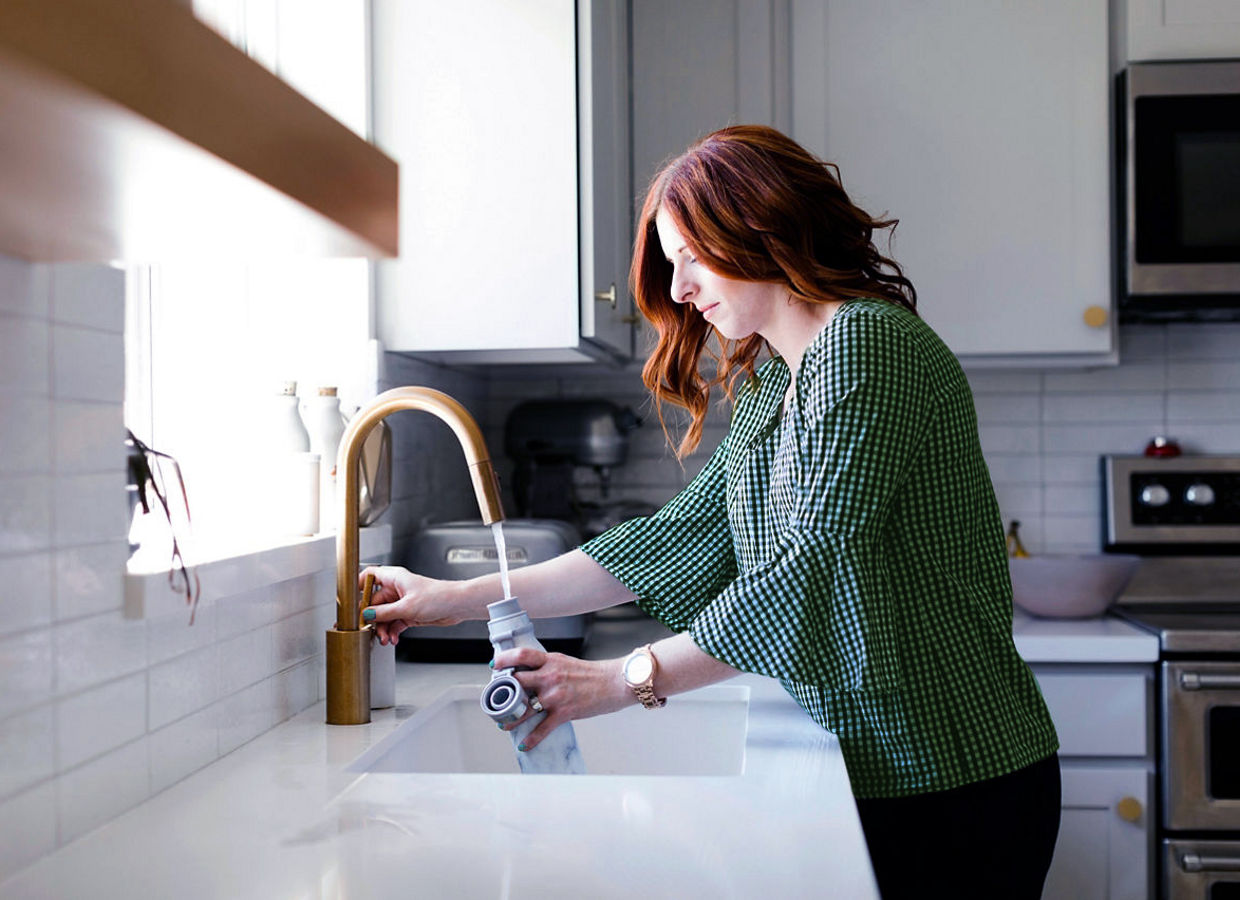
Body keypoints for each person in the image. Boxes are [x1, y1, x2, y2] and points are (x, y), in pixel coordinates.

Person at [360, 124, 1061, 899]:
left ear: (761, 224)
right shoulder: (776, 382)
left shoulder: (869, 343)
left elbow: (810, 571)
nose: (681, 289)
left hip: (955, 774)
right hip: (876, 766)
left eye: (692, 256)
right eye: (673, 264)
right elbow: (671, 541)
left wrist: (621, 679)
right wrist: (452, 600)